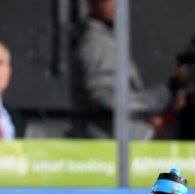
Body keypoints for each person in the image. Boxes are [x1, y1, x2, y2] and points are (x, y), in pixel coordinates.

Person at [70, 0, 166, 138]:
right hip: (108, 150)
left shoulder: (104, 39)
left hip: (111, 147)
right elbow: (107, 98)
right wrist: (155, 102)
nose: (116, 4)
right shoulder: (97, 43)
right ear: (91, 3)